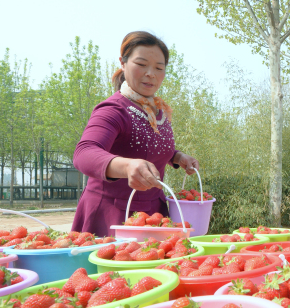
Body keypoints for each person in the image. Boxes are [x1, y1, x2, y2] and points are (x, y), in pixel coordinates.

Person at [72, 31, 199, 236]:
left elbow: (145, 145)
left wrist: (177, 156)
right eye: (141, 64)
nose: (151, 73)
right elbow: (84, 153)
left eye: (159, 67)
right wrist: (127, 166)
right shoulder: (114, 109)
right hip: (112, 216)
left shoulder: (157, 111)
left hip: (154, 214)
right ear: (123, 63)